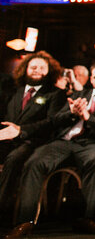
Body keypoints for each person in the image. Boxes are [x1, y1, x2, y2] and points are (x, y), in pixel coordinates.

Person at [6, 61, 95, 237]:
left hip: (92, 144)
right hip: (64, 142)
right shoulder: (80, 94)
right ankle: (25, 221)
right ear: (91, 79)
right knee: (34, 161)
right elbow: (55, 120)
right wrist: (71, 112)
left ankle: (89, 219)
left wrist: (88, 117)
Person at [0, 51, 66, 213]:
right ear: (25, 69)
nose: (37, 70)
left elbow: (51, 122)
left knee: (13, 159)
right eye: (33, 67)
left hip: (34, 142)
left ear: (49, 71)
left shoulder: (55, 94)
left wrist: (21, 130)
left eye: (42, 68)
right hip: (6, 139)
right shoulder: (14, 91)